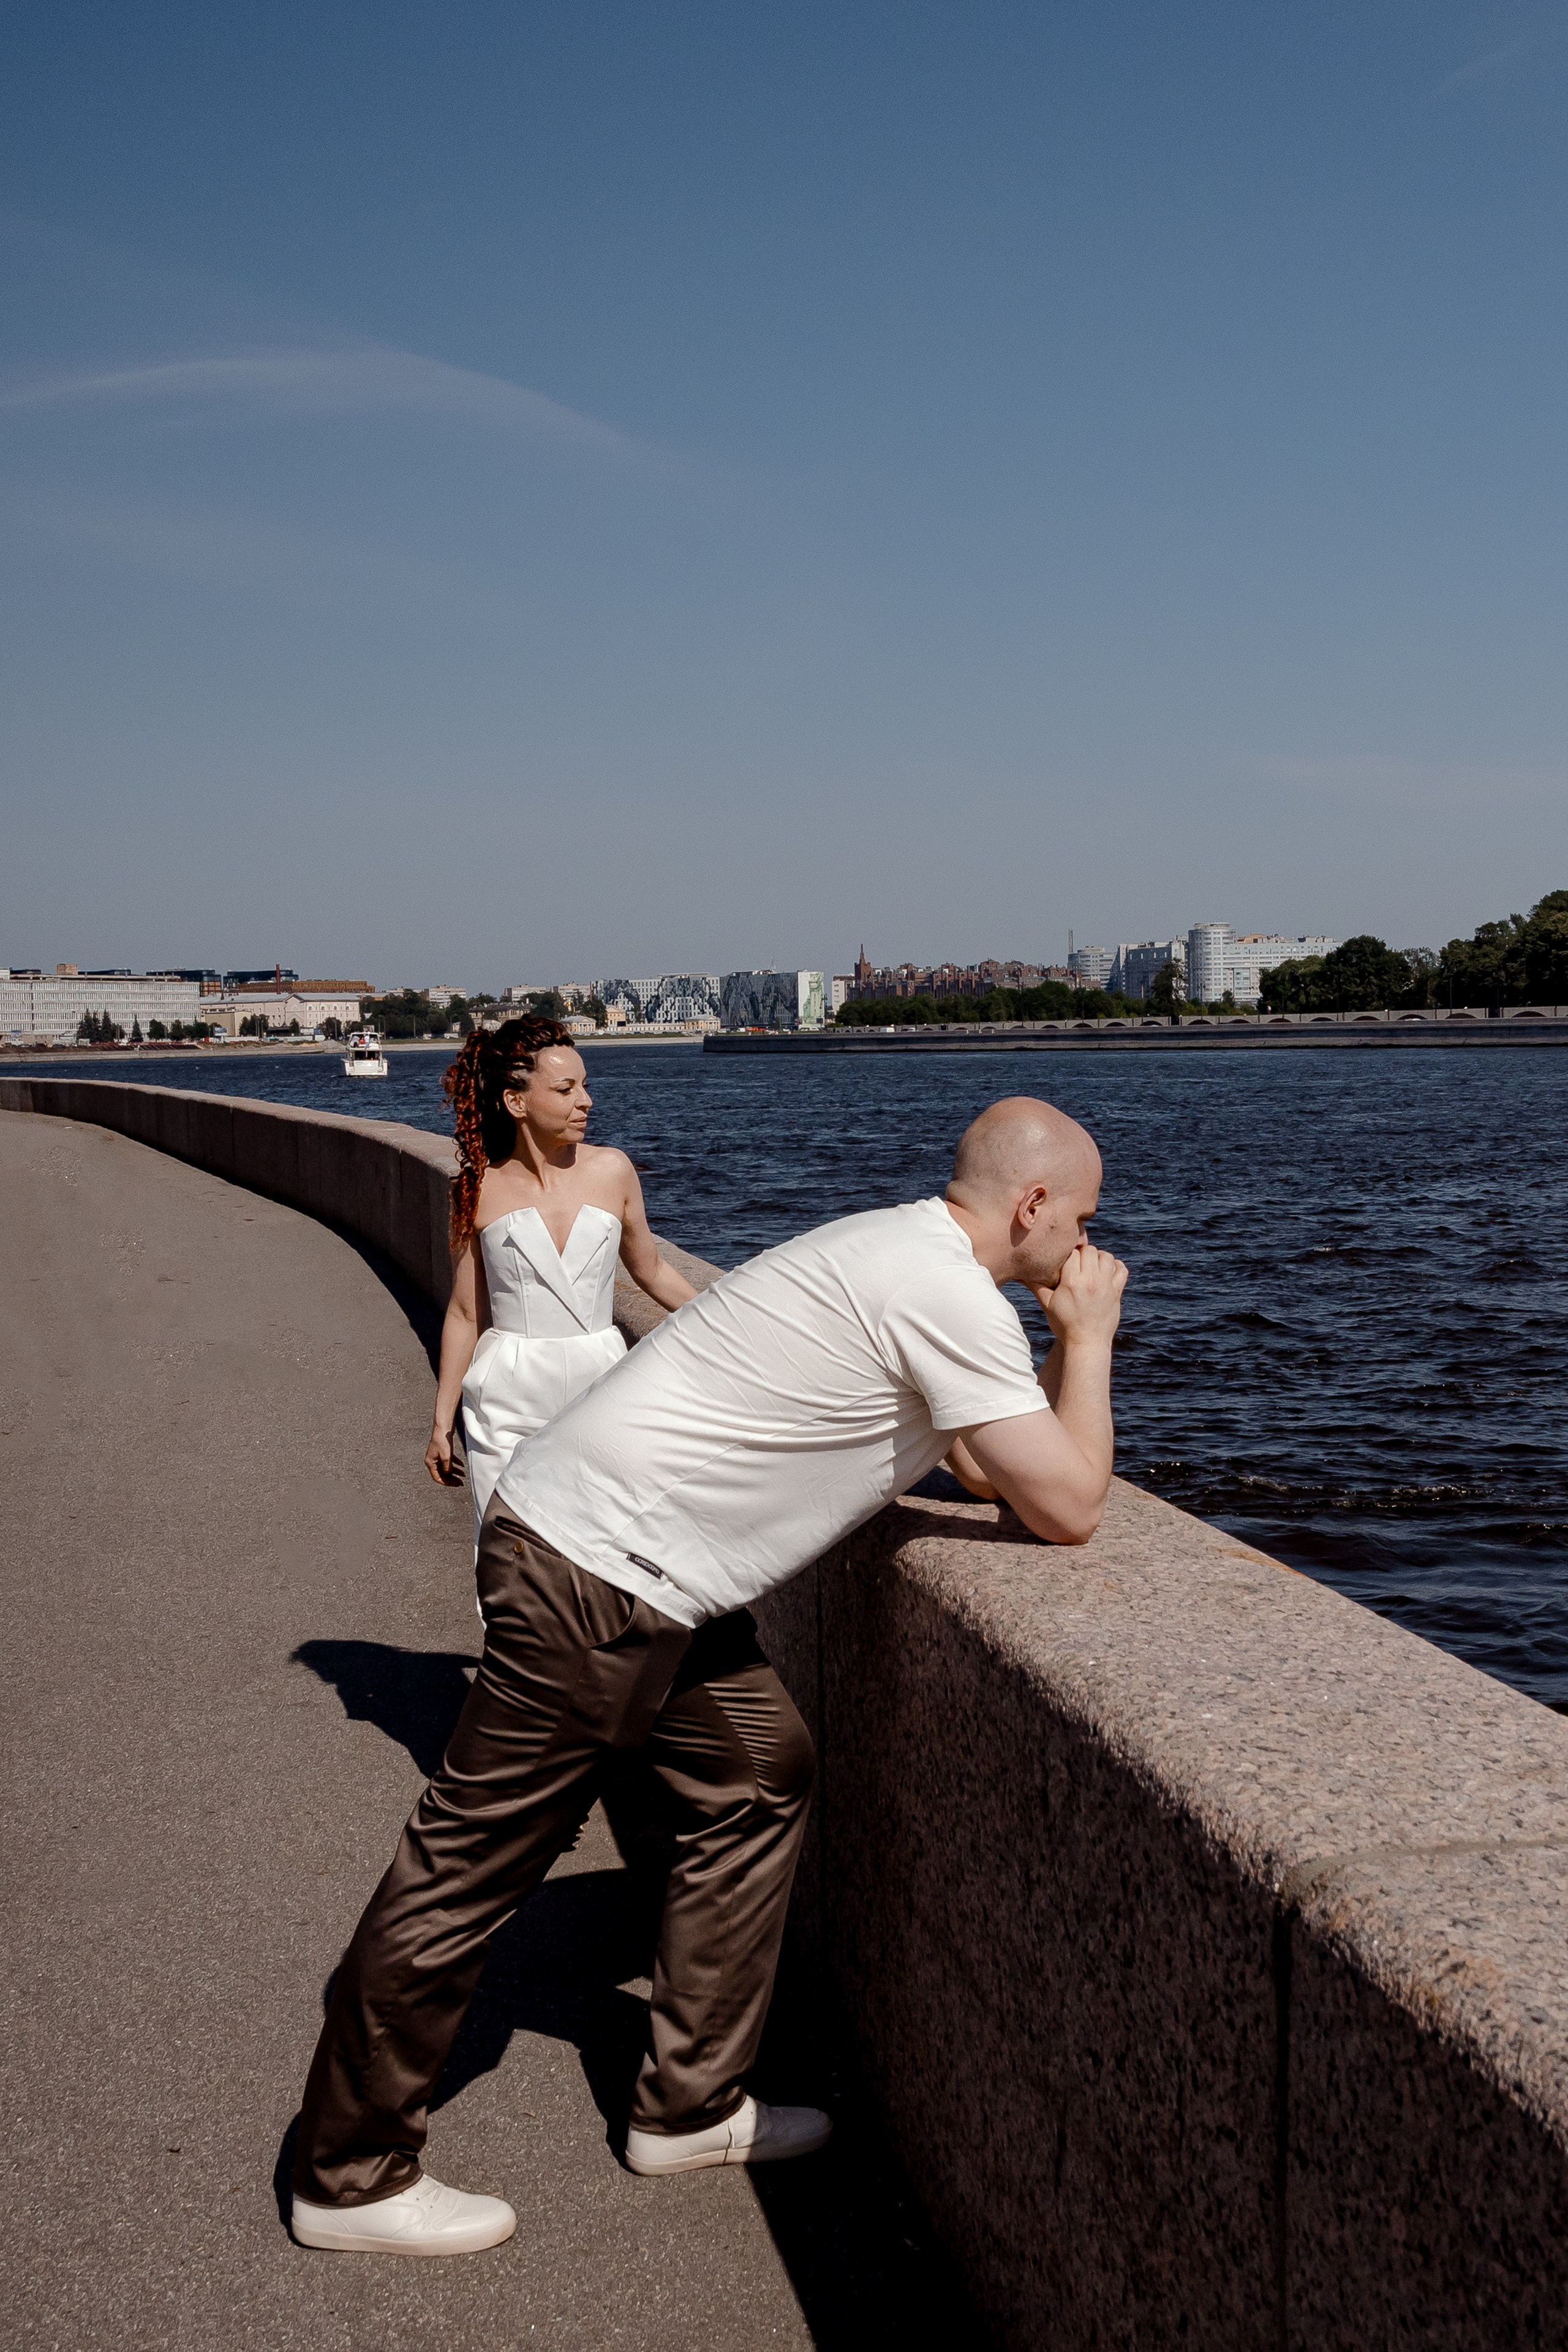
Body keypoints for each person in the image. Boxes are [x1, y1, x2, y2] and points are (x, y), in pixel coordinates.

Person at [290, 1095, 1128, 2256]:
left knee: (757, 1766)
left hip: (623, 1560)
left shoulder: (895, 1246)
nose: (1085, 1245)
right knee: (465, 1868)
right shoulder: (945, 1289)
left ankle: (690, 2104)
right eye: (1081, 1218)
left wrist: (1029, 1379)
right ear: (1033, 1203)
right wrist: (1086, 1339)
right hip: (599, 1571)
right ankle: (347, 2170)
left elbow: (992, 1464)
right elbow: (1072, 1504)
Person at [424, 1015, 698, 1540]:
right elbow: (464, 1312)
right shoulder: (476, 1190)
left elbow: (653, 1271)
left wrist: (726, 1316)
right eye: (566, 1088)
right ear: (517, 1102)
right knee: (512, 1563)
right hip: (507, 1394)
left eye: (586, 1085)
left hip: (601, 1387)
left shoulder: (613, 1170)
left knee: (602, 1554)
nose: (586, 1101)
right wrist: (442, 1422)